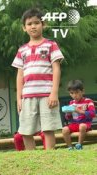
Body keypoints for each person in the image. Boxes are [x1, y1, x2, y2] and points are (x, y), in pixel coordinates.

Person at [11, 8, 64, 150]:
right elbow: (19, 75)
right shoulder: (22, 50)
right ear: (24, 28)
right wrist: (19, 98)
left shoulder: (51, 45)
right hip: (27, 96)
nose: (33, 26)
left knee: (48, 128)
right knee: (26, 130)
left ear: (43, 24)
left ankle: (50, 156)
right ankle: (31, 158)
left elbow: (56, 69)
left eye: (36, 23)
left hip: (47, 94)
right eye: (29, 24)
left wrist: (54, 93)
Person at [62, 80, 95, 150]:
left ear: (82, 91)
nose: (74, 95)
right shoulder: (71, 103)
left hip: (86, 124)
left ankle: (79, 145)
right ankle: (70, 147)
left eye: (77, 92)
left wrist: (80, 111)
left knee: (82, 126)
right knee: (64, 129)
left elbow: (92, 113)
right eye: (72, 93)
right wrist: (68, 114)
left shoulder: (88, 101)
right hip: (74, 124)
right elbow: (68, 118)